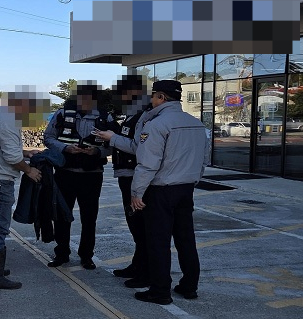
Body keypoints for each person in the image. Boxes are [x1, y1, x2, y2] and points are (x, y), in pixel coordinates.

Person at [129, 79, 210, 304]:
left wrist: (136, 192)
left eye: (154, 96)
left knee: (158, 241)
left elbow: (148, 164)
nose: (151, 100)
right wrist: (192, 180)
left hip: (161, 191)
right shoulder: (196, 124)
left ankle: (160, 291)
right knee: (186, 239)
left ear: (162, 97)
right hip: (186, 189)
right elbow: (203, 159)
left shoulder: (156, 125)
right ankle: (189, 286)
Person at [0, 90, 42, 290]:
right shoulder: (8, 121)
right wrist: (29, 170)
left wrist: (25, 152)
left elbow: (0, 147)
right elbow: (11, 157)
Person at [42, 83, 113, 269]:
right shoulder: (62, 114)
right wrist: (65, 148)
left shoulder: (105, 118)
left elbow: (113, 145)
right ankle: (61, 253)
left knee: (89, 217)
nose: (85, 102)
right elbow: (48, 138)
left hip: (92, 175)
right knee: (61, 215)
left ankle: (87, 255)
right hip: (65, 173)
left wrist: (97, 152)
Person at [96, 74, 150, 287]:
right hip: (126, 175)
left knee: (141, 226)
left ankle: (145, 271)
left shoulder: (145, 116)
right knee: (134, 224)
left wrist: (113, 138)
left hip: (136, 176)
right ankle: (138, 265)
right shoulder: (132, 115)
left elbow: (138, 148)